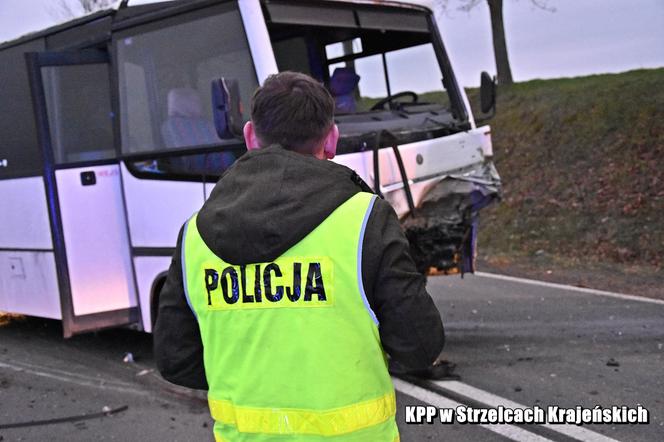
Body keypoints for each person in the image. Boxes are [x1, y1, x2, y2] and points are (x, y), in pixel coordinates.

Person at [153, 71, 444, 441]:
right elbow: (419, 347)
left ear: (249, 137)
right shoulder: (364, 219)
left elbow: (176, 361)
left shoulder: (194, 235)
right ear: (332, 140)